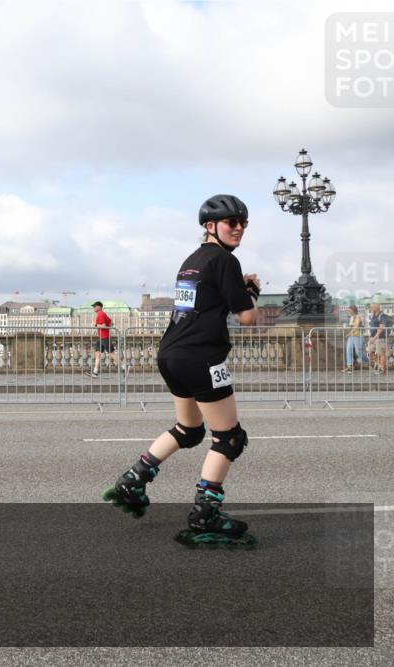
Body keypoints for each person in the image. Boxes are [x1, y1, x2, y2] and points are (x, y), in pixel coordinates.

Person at [103, 194, 259, 547]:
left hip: (171, 353)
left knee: (188, 430)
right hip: (202, 356)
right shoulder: (223, 260)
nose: (239, 229)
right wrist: (252, 291)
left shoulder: (191, 261)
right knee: (230, 438)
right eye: (232, 222)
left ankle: (133, 480)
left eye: (243, 223)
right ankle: (206, 512)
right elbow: (248, 317)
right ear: (210, 226)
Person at [86, 301, 118, 378]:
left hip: (104, 337)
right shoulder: (103, 314)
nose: (93, 308)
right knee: (97, 354)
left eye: (94, 306)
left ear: (99, 307)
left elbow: (103, 326)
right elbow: (111, 323)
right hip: (101, 337)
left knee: (112, 353)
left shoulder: (101, 314)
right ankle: (95, 372)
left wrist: (95, 324)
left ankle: (124, 366)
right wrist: (106, 325)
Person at [342, 305, 367, 373]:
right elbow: (352, 326)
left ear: (353, 310)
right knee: (348, 351)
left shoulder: (358, 317)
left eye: (350, 310)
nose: (348, 311)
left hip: (358, 336)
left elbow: (356, 327)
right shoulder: (352, 317)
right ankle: (350, 366)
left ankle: (369, 361)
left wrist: (349, 333)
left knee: (358, 352)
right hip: (352, 336)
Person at [368, 303, 389, 376]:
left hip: (380, 338)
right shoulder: (373, 315)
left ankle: (383, 372)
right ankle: (379, 367)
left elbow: (381, 328)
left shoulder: (383, 316)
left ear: (376, 308)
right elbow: (372, 327)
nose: (370, 309)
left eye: (371, 307)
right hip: (373, 338)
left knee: (381, 354)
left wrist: (374, 337)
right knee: (370, 352)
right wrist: (371, 336)